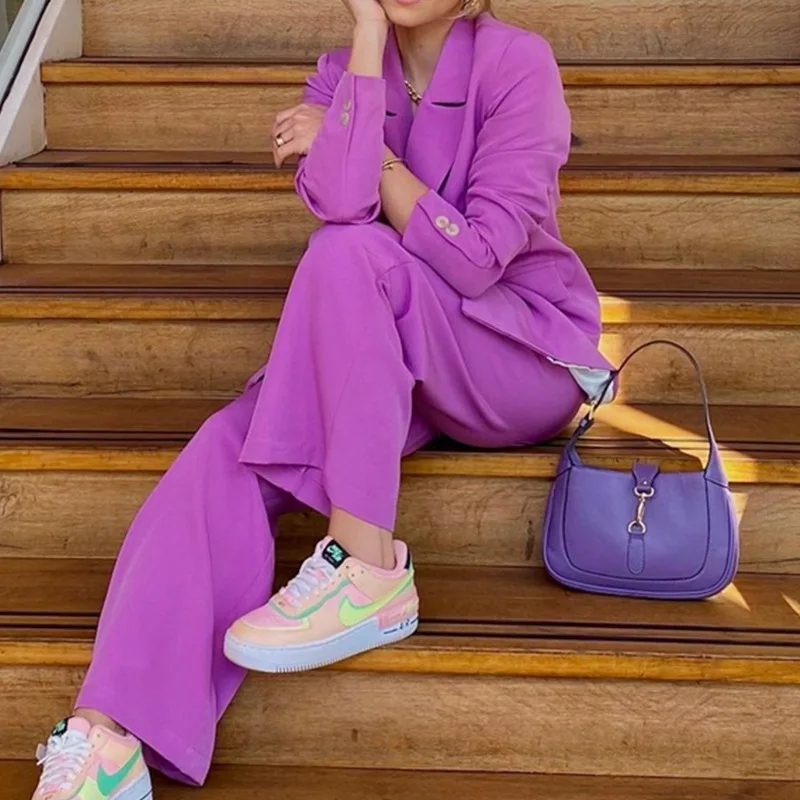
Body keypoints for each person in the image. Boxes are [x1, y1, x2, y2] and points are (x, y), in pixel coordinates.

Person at [30, 0, 614, 796]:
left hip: (513, 356)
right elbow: (341, 204)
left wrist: (363, 146)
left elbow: (477, 260)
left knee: (349, 254)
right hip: (390, 357)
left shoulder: (516, 63)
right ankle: (106, 736)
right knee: (226, 445)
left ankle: (366, 563)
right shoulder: (343, 73)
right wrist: (368, 40)